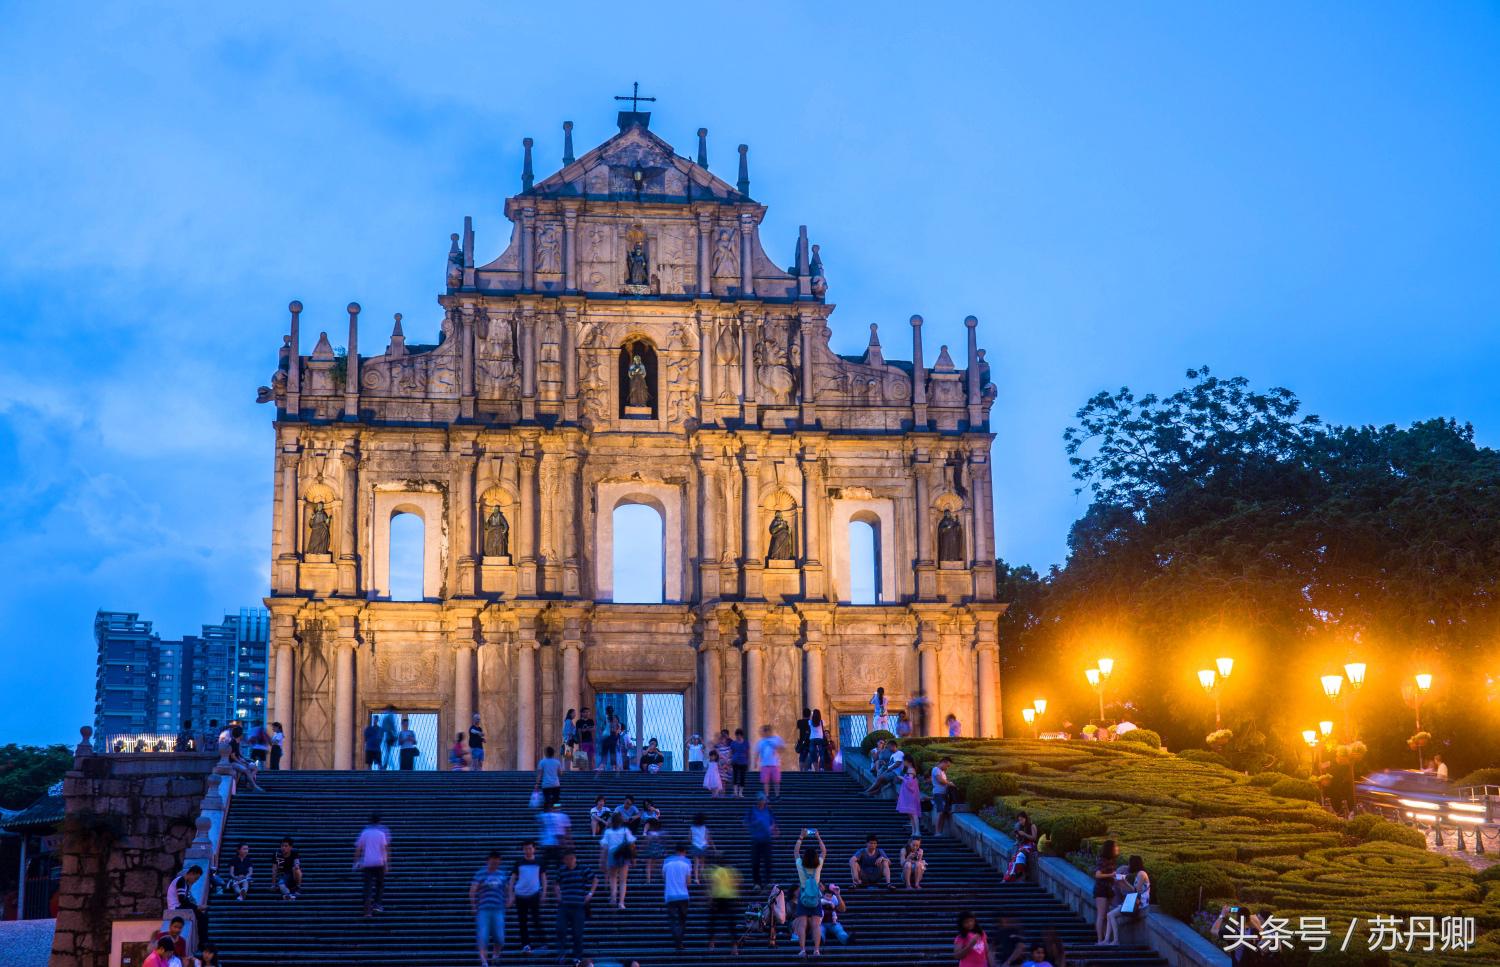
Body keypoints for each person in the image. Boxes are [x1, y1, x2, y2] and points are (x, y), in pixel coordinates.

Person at [550, 850, 598, 964]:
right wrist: (558, 895)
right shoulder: (561, 870)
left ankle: (577, 956)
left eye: (572, 858)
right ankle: (561, 952)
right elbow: (555, 883)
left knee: (577, 933)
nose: (570, 861)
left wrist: (590, 894)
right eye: (567, 859)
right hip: (564, 906)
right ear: (564, 860)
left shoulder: (583, 869)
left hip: (578, 906)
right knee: (560, 929)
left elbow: (595, 879)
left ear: (575, 858)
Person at [791, 829, 827, 957]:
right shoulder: (819, 865)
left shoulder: (800, 865)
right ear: (816, 858)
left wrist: (801, 837)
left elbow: (795, 852)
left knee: (802, 924)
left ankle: (802, 950)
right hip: (816, 897)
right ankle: (816, 950)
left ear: (805, 857)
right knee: (816, 925)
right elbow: (824, 851)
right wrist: (818, 836)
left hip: (803, 896)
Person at [470, 849, 508, 967]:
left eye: (497, 862)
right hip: (484, 909)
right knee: (483, 936)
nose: (494, 865)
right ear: (487, 861)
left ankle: (495, 955)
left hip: (498, 909)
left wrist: (510, 898)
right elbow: (472, 890)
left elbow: (507, 889)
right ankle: (484, 961)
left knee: (500, 937)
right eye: (492, 862)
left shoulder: (502, 874)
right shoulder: (480, 874)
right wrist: (473, 906)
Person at [509, 841, 547, 954]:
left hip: (534, 893)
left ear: (534, 849)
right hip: (520, 894)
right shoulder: (519, 862)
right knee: (522, 921)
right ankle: (525, 944)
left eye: (530, 848)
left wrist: (544, 892)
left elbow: (544, 878)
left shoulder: (539, 862)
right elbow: (512, 878)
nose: (528, 851)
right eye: (525, 849)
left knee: (536, 919)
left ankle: (543, 942)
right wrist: (511, 894)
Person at [1104, 855, 1150, 945]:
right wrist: (1120, 882)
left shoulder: (1141, 874)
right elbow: (1132, 889)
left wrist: (1124, 882)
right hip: (1135, 902)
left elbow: (1136, 890)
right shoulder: (1139, 874)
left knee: (1111, 915)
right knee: (1110, 915)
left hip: (1140, 904)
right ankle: (1107, 940)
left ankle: (1115, 940)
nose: (1128, 866)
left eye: (1129, 863)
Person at [354, 813, 391, 918]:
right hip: (379, 863)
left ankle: (367, 911)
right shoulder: (381, 833)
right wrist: (387, 864)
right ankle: (377, 904)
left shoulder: (365, 833)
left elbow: (358, 848)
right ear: (379, 821)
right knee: (379, 885)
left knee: (367, 887)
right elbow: (384, 849)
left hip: (367, 863)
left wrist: (356, 862)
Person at [600, 813, 637, 910]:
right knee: (623, 881)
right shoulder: (625, 831)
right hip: (623, 854)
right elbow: (632, 845)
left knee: (612, 878)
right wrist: (633, 859)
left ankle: (613, 898)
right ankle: (621, 903)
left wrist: (602, 860)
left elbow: (605, 848)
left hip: (612, 854)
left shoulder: (608, 832)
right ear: (621, 821)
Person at [662, 841, 693, 952]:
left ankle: (677, 939)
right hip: (683, 896)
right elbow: (688, 882)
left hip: (670, 896)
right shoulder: (687, 862)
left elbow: (664, 878)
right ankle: (679, 941)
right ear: (684, 851)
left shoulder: (667, 861)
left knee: (673, 920)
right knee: (682, 920)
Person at [706, 860, 741, 953]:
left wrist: (710, 897)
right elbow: (737, 883)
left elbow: (713, 883)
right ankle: (734, 948)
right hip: (729, 898)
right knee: (731, 923)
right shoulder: (731, 871)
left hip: (718, 898)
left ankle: (711, 944)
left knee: (712, 921)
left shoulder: (716, 871)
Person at [744, 795, 779, 888]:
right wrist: (755, 824)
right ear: (758, 801)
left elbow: (773, 822)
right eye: (762, 800)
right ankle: (757, 883)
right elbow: (746, 822)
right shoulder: (752, 810)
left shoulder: (768, 810)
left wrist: (774, 829)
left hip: (767, 839)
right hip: (756, 839)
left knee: (768, 861)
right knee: (755, 862)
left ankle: (768, 881)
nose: (764, 801)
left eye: (764, 800)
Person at [165, 867, 207, 942]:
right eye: (195, 878)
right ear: (191, 874)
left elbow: (185, 900)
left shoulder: (185, 884)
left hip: (179, 906)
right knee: (202, 917)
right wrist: (197, 907)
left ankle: (203, 941)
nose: (195, 881)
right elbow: (182, 900)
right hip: (176, 907)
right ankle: (203, 942)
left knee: (202, 916)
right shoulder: (181, 881)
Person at [1092, 839, 1119, 943]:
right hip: (1101, 889)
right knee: (1101, 915)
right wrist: (1111, 875)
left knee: (1107, 915)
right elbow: (1097, 874)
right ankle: (1099, 939)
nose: (1117, 848)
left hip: (1109, 889)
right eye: (1115, 846)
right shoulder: (1102, 860)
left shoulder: (1112, 860)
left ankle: (1105, 939)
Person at [756, 725, 786, 798]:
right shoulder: (761, 741)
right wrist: (755, 762)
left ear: (770, 731)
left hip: (775, 764)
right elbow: (757, 752)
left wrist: (777, 747)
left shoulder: (776, 738)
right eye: (764, 731)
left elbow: (783, 748)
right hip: (764, 765)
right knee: (766, 782)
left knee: (776, 781)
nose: (765, 733)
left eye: (767, 731)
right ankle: (767, 795)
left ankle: (777, 795)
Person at [931, 755, 957, 837]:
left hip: (943, 794)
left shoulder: (942, 771)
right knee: (940, 812)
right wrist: (950, 783)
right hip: (938, 794)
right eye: (947, 765)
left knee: (943, 813)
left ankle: (940, 832)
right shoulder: (936, 769)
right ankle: (937, 832)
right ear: (943, 762)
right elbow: (941, 781)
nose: (947, 768)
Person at [896, 761, 923, 837]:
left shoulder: (911, 770)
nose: (903, 762)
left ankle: (917, 831)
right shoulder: (909, 770)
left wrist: (902, 778)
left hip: (911, 795)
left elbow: (910, 783)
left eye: (904, 761)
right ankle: (914, 831)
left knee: (913, 813)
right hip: (908, 794)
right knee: (911, 814)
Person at [689, 813, 714, 884]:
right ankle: (701, 877)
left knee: (696, 863)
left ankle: (696, 879)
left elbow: (689, 837)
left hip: (695, 845)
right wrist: (711, 846)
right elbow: (707, 838)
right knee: (702, 863)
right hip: (703, 846)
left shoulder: (692, 827)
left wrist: (693, 842)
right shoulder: (705, 828)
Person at [641, 818, 665, 884]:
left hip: (651, 850)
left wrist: (643, 847)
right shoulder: (660, 833)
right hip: (659, 850)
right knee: (658, 864)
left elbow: (647, 842)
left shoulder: (651, 833)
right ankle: (663, 878)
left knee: (648, 865)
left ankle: (648, 880)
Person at [730, 728, 751, 797]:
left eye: (739, 735)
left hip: (743, 762)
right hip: (735, 761)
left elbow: (748, 753)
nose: (738, 737)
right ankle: (735, 792)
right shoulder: (733, 743)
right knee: (735, 777)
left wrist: (749, 761)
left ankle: (740, 793)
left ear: (742, 735)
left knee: (742, 777)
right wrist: (729, 760)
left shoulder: (746, 743)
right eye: (737, 735)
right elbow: (731, 752)